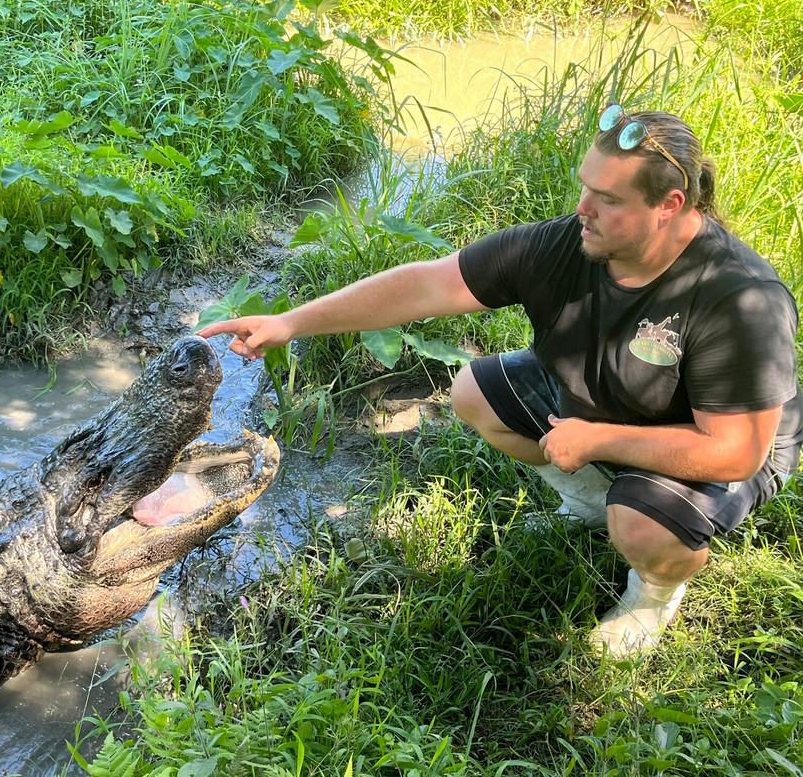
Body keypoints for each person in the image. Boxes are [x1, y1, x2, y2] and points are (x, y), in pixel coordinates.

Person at [197, 103, 803, 658]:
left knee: (642, 523)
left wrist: (596, 441)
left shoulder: (739, 298)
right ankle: (591, 506)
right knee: (472, 393)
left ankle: (652, 592)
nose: (581, 211)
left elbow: (736, 452)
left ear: (669, 205)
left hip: (715, 437)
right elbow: (431, 284)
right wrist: (290, 322)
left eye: (607, 200)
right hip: (610, 399)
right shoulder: (568, 244)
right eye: (584, 189)